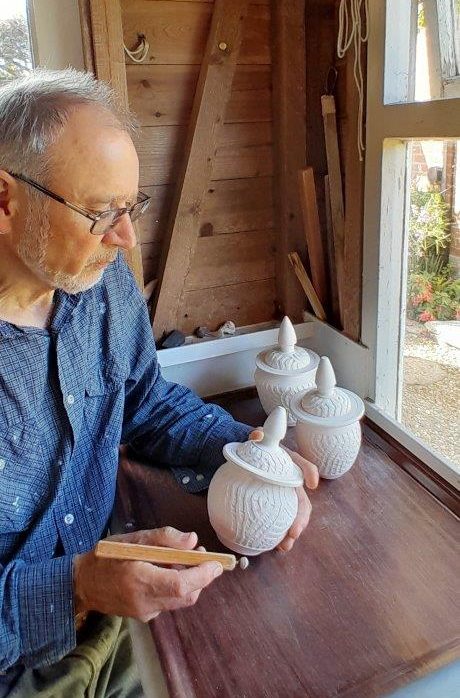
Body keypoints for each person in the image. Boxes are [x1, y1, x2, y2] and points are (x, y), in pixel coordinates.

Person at [0, 69, 318, 697]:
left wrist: (240, 449)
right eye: (99, 212)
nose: (125, 238)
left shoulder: (101, 284)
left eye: (131, 206)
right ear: (5, 201)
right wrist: (78, 585)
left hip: (113, 625)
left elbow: (142, 400)